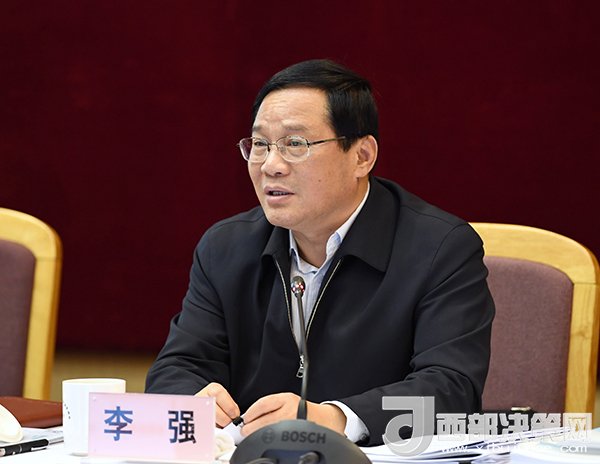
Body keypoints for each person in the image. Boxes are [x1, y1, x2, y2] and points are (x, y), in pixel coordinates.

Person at [145, 59, 495, 446]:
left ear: (362, 156)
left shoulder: (440, 248)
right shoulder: (225, 247)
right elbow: (178, 366)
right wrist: (192, 399)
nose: (271, 165)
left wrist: (335, 418)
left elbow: (451, 389)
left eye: (295, 144)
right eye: (259, 145)